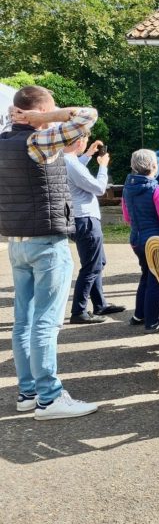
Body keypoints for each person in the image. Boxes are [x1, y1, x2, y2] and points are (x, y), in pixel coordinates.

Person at [1, 86, 99, 419]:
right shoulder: (37, 142)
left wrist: (40, 116)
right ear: (37, 111)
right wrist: (47, 118)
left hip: (17, 242)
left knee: (23, 321)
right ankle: (49, 397)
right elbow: (87, 115)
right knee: (45, 321)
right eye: (50, 107)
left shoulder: (3, 141)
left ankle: (28, 392)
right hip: (46, 241)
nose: (56, 111)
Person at [63, 135, 124, 324]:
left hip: (77, 217)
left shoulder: (65, 159)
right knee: (92, 266)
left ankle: (99, 304)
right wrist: (103, 166)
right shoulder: (71, 164)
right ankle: (78, 311)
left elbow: (77, 168)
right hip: (85, 219)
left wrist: (89, 154)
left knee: (97, 261)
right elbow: (98, 188)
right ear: (78, 141)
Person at [122, 149, 159, 333]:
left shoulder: (127, 188)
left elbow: (127, 217)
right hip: (155, 241)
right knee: (156, 280)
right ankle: (152, 320)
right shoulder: (157, 190)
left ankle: (139, 314)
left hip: (136, 239)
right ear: (153, 166)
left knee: (145, 275)